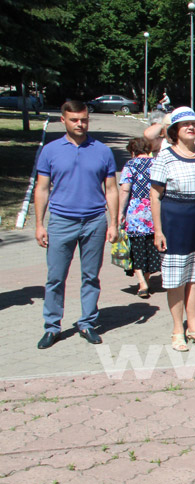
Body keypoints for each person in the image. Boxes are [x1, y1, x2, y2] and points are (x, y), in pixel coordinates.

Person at [34, 100, 118, 349]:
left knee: (91, 276)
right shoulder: (50, 150)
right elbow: (41, 188)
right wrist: (39, 224)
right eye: (74, 120)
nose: (80, 124)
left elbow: (111, 189)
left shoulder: (102, 151)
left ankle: (87, 323)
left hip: (94, 221)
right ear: (63, 120)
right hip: (61, 221)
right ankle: (52, 327)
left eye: (84, 120)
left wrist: (113, 223)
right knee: (55, 277)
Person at [150, 106, 195, 351]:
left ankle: (194, 328)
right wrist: (158, 230)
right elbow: (155, 195)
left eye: (194, 124)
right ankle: (177, 331)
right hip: (175, 223)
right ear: (175, 130)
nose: (191, 127)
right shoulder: (165, 156)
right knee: (176, 279)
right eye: (185, 124)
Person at [119, 137, 161, 298]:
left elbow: (125, 189)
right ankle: (146, 280)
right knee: (150, 247)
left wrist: (120, 212)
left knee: (136, 248)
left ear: (132, 151)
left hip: (136, 212)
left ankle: (142, 282)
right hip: (154, 210)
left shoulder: (130, 165)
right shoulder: (157, 163)